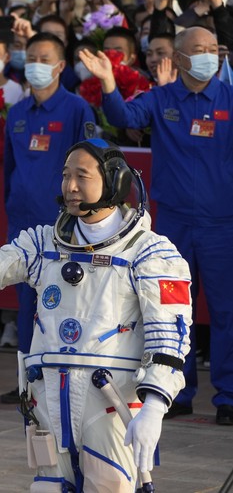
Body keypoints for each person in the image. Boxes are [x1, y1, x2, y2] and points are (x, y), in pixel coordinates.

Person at [0, 139, 192, 491]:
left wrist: (155, 406)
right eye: (66, 175)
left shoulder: (150, 252)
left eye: (82, 175)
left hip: (111, 404)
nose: (71, 186)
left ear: (115, 181)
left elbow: (169, 337)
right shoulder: (43, 244)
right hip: (48, 401)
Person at [80, 26, 233, 426]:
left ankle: (229, 395)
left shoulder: (230, 99)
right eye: (198, 50)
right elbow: (123, 117)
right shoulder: (162, 98)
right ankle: (175, 389)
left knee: (226, 312)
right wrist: (109, 82)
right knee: (171, 309)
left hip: (222, 224)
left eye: (213, 49)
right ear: (180, 59)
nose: (208, 55)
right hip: (176, 223)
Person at [0, 32, 96, 404]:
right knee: (27, 305)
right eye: (30, 58)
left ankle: (68, 380)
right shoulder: (18, 113)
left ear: (59, 66)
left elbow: (89, 169)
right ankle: (28, 382)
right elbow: (10, 167)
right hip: (23, 223)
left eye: (44, 59)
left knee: (64, 302)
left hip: (64, 225)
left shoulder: (76, 109)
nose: (35, 66)